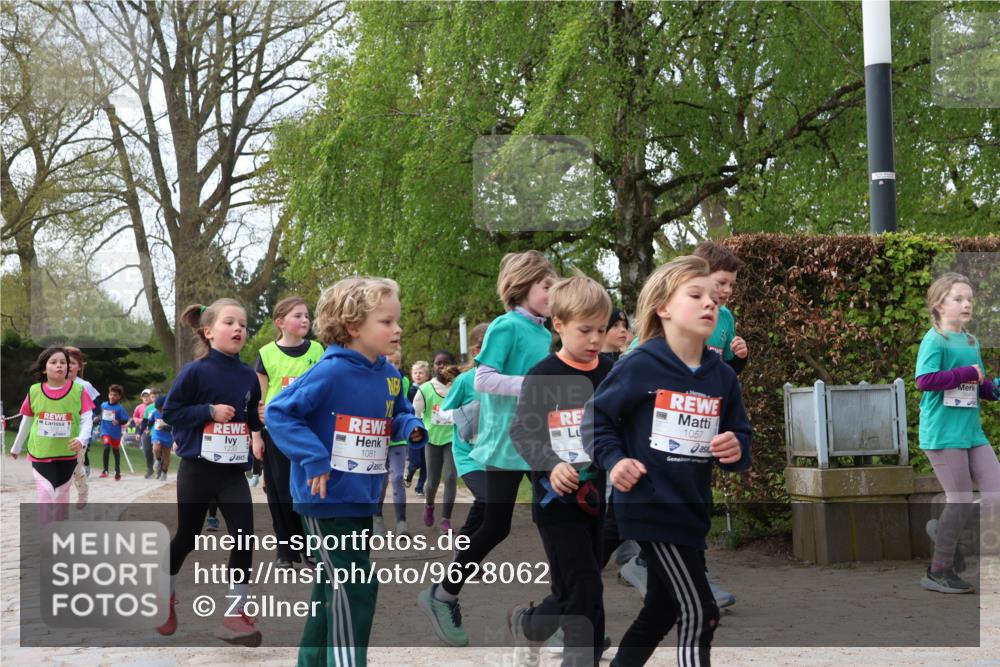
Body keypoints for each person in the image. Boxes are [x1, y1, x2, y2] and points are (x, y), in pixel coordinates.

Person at [585, 255, 752, 667]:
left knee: (661, 610)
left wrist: (735, 450)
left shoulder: (723, 377)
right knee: (701, 611)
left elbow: (740, 439)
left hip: (692, 511)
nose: (710, 304)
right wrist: (615, 460)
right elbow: (596, 419)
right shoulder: (641, 364)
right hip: (649, 505)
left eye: (714, 297)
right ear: (663, 307)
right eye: (696, 295)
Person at [266, 277, 426, 667]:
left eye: (396, 321)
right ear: (353, 327)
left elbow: (399, 412)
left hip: (361, 498)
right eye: (386, 322)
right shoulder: (331, 371)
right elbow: (279, 412)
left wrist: (409, 427)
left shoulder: (389, 374)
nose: (397, 329)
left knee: (332, 588)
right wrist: (314, 458)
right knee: (355, 585)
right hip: (325, 499)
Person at [418, 249, 557, 647]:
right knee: (496, 526)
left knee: (558, 520)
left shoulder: (544, 331)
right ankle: (441, 595)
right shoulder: (506, 326)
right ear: (523, 286)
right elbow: (484, 380)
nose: (553, 293)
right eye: (547, 286)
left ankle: (557, 610)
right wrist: (532, 386)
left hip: (539, 440)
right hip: (505, 442)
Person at [509, 273, 614, 667]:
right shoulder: (542, 376)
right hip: (555, 504)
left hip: (597, 500)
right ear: (559, 324)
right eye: (584, 330)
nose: (594, 339)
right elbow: (521, 432)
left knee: (573, 588)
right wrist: (551, 466)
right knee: (585, 587)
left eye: (601, 330)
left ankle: (531, 624)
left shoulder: (611, 372)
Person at [156, 298, 264, 647]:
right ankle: (164, 597)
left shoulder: (249, 375)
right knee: (187, 536)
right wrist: (208, 411)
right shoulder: (195, 371)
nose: (238, 329)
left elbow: (249, 418)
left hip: (232, 472)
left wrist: (262, 424)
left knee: (245, 537)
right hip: (198, 470)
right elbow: (171, 411)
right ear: (208, 331)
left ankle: (235, 613)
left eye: (243, 325)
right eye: (230, 322)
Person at [915, 272, 1000, 594]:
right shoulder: (934, 339)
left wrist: (993, 389)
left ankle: (945, 528)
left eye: (969, 299)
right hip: (943, 434)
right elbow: (925, 381)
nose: (966, 304)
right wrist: (966, 373)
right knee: (961, 500)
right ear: (939, 305)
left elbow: (977, 386)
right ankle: (938, 571)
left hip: (972, 433)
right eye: (958, 299)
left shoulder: (970, 341)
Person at [252, 295, 324, 567]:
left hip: (309, 432)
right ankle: (285, 550)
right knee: (280, 491)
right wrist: (256, 435)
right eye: (297, 315)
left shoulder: (318, 351)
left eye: (306, 315)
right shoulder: (266, 354)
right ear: (280, 322)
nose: (304, 320)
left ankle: (310, 547)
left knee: (309, 489)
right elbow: (258, 401)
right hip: (276, 433)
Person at [10, 347, 95, 526]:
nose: (59, 366)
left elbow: (88, 419)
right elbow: (27, 420)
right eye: (54, 362)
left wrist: (81, 439)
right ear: (43, 368)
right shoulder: (34, 391)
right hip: (41, 451)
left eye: (63, 362)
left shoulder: (79, 391)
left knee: (62, 493)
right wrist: (16, 446)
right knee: (46, 492)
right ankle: (46, 533)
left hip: (67, 452)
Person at [440, 323, 490, 538]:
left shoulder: (505, 380)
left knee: (494, 512)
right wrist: (468, 413)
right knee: (486, 500)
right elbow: (442, 414)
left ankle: (468, 556)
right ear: (476, 351)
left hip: (494, 455)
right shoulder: (465, 381)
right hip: (468, 455)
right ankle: (463, 549)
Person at [414, 350, 459, 532]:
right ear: (433, 367)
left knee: (450, 477)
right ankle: (429, 504)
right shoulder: (424, 389)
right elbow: (415, 415)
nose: (441, 366)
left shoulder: (458, 386)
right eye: (438, 363)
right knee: (432, 481)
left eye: (446, 362)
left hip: (452, 438)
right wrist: (417, 431)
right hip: (432, 440)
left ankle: (446, 520)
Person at [376, 348, 411, 536]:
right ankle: (377, 518)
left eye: (397, 363)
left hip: (397, 439)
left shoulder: (403, 381)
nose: (394, 367)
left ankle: (401, 522)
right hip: (378, 437)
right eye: (391, 363)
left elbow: (403, 407)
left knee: (397, 478)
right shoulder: (374, 379)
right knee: (380, 481)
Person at [66, 346, 99, 505]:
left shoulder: (84, 385)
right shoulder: (52, 384)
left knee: (76, 468)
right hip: (58, 433)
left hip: (79, 435)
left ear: (79, 366)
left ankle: (82, 489)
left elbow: (95, 408)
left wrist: (84, 434)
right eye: (65, 362)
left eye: (72, 363)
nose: (68, 366)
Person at [405, 360, 430, 494]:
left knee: (426, 462)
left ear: (426, 376)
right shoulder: (410, 390)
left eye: (421, 373)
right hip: (414, 426)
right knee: (416, 460)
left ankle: (419, 488)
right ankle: (409, 473)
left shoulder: (430, 389)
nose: (418, 375)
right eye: (415, 373)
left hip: (427, 426)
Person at [98, 384, 130, 480]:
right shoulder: (103, 405)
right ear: (108, 395)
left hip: (115, 433)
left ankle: (117, 471)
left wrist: (118, 421)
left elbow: (125, 420)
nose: (112, 397)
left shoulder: (120, 408)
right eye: (111, 394)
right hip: (105, 431)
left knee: (116, 451)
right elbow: (99, 415)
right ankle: (105, 470)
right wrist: (97, 418)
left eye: (115, 395)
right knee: (106, 447)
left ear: (119, 397)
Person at [149, 395, 173, 481]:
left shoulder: (171, 413)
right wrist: (148, 429)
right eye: (158, 408)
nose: (159, 410)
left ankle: (164, 472)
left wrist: (166, 428)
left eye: (161, 408)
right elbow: (150, 421)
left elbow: (174, 426)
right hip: (157, 434)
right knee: (156, 448)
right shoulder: (155, 412)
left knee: (166, 456)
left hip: (168, 436)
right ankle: (158, 460)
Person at [133, 388, 154, 476]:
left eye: (148, 396)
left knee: (157, 450)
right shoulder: (139, 407)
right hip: (144, 431)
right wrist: (139, 420)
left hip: (154, 431)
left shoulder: (155, 406)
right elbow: (134, 417)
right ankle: (150, 469)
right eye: (144, 396)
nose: (146, 398)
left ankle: (160, 467)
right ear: (141, 398)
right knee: (147, 450)